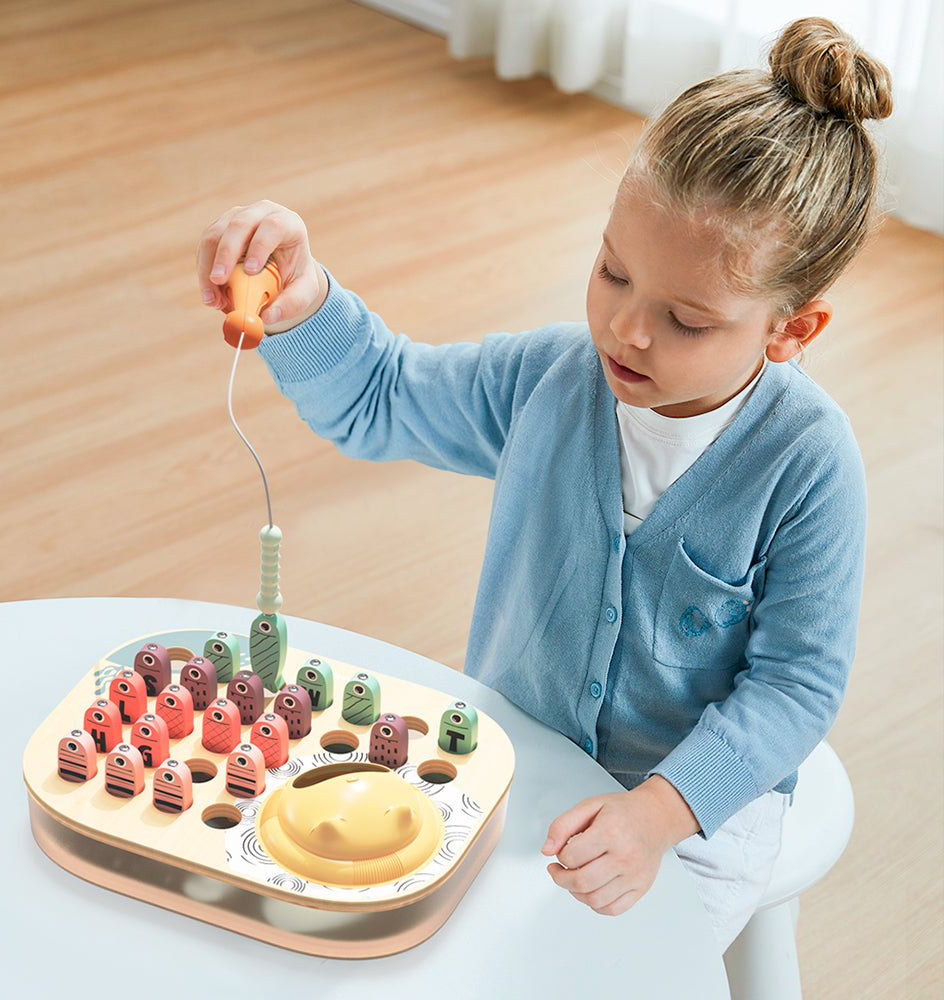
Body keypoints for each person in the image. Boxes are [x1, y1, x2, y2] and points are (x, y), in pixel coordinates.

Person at [196, 17, 891, 951]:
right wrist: (307, 299)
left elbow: (796, 688)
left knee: (598, 965)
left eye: (686, 321)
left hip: (688, 817)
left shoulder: (809, 463)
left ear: (791, 331)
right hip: (505, 753)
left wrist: (660, 813)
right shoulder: (552, 380)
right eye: (611, 271)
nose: (626, 332)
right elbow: (385, 395)